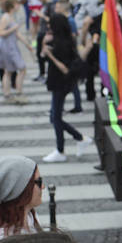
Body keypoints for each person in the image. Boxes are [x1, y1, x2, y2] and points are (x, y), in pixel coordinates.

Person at [40, 14, 95, 163]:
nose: (49, 27)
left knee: (55, 118)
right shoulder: (65, 40)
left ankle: (62, 149)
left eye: (51, 24)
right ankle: (78, 139)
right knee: (55, 117)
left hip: (60, 83)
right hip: (62, 83)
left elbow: (65, 69)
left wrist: (50, 55)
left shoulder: (60, 44)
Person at [0, 0, 27, 104]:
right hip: (8, 47)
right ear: (12, 5)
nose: (18, 6)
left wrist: (27, 44)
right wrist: (13, 29)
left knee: (9, 71)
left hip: (12, 46)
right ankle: (16, 93)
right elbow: (1, 33)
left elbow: (17, 33)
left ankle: (10, 93)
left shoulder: (11, 17)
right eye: (17, 4)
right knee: (19, 69)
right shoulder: (6, 17)